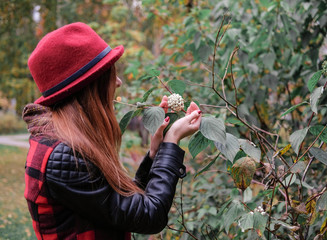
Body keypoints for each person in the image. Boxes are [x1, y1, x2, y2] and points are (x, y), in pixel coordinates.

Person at [22, 22, 201, 239]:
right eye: (109, 74)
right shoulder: (66, 157)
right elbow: (149, 215)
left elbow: (119, 207)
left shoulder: (61, 144)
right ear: (89, 88)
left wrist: (156, 154)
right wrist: (172, 141)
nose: (118, 82)